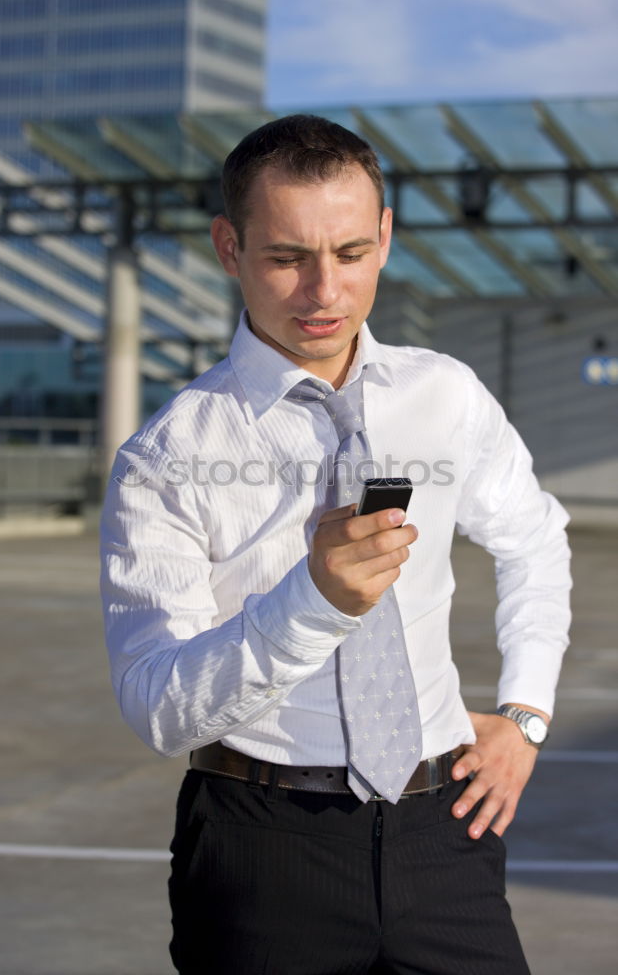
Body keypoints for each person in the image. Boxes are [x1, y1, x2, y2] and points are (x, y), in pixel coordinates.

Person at [100, 114, 572, 975]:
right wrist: (310, 604)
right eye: (287, 258)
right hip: (262, 848)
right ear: (228, 247)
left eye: (351, 253)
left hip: (445, 831)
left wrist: (526, 716)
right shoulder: (168, 456)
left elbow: (535, 540)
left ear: (385, 237)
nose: (325, 291)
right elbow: (156, 707)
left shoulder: (447, 395)